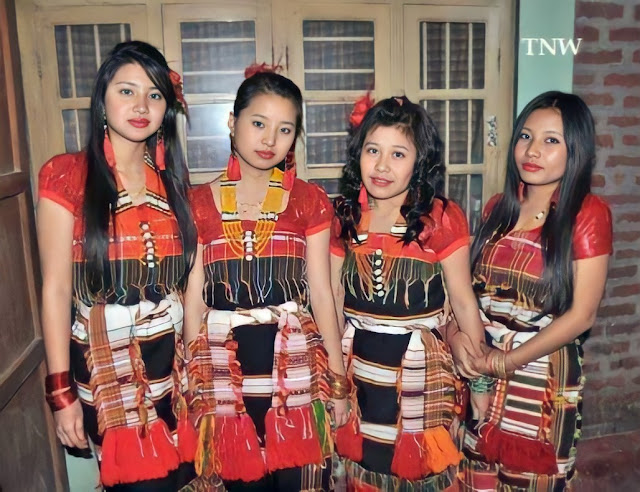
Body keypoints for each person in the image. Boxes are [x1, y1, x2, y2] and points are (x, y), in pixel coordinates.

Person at [37, 41, 199, 490]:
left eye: (154, 94)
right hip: (105, 369)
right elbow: (54, 290)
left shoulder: (172, 183)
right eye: (127, 91)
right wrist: (61, 392)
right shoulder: (66, 176)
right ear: (103, 99)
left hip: (172, 369)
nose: (141, 105)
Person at [184, 70, 348, 492]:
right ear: (232, 122)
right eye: (258, 123)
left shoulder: (309, 200)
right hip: (226, 373)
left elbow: (322, 295)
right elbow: (194, 300)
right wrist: (192, 381)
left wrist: (338, 381)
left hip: (295, 372)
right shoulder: (197, 203)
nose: (269, 139)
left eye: (285, 129)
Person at [330, 96, 486, 491]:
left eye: (398, 153)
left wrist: (481, 383)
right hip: (360, 374)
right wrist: (334, 383)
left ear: (420, 162)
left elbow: (464, 302)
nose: (382, 166)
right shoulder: (345, 218)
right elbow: (331, 302)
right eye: (372, 150)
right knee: (366, 469)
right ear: (357, 154)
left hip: (422, 376)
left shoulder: (440, 218)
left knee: (423, 473)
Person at [460, 91, 612, 491]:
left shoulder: (586, 214)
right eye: (526, 137)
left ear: (575, 149)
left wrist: (506, 362)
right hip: (483, 370)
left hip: (542, 374)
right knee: (478, 477)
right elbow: (469, 297)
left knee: (530, 481)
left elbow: (582, 316)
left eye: (551, 140)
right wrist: (472, 357)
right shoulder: (497, 208)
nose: (533, 150)